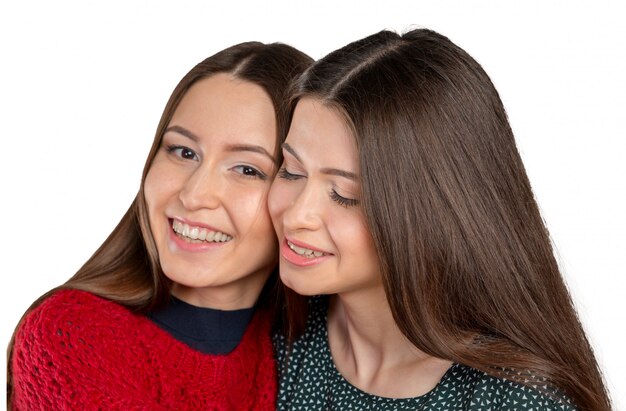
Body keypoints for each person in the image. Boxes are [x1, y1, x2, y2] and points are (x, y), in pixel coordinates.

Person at [269, 29, 612, 410]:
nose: (298, 214)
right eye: (292, 171)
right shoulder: (276, 331)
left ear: (429, 213)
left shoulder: (516, 401)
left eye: (346, 195)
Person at [8, 41, 312, 410]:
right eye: (184, 152)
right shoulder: (73, 334)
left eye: (247, 169)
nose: (195, 194)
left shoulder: (312, 352)